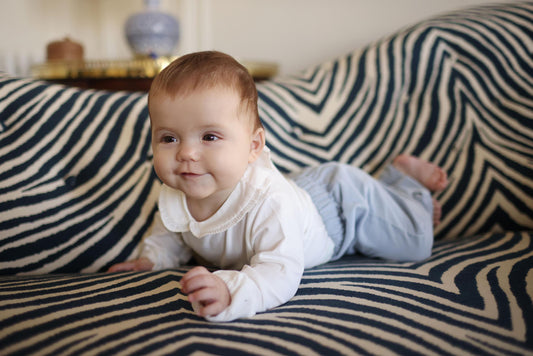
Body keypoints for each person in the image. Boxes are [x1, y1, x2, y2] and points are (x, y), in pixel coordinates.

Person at [108, 51, 448, 322]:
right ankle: (395, 187)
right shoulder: (175, 193)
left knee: (416, 242)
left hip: (340, 205)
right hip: (300, 191)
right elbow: (171, 235)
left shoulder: (268, 201)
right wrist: (152, 259)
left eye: (210, 136)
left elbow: (280, 271)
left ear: (254, 146)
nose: (186, 153)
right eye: (168, 138)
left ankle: (405, 183)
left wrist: (233, 292)